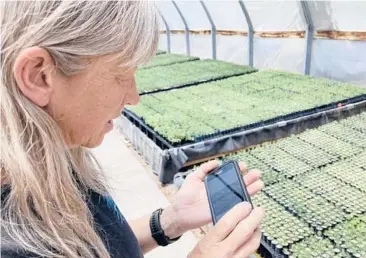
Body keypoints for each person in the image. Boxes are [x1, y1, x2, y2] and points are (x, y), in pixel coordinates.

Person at [0, 1, 265, 257]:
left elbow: (99, 245)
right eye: (121, 75)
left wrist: (171, 221)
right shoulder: (12, 244)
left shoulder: (54, 150)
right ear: (38, 75)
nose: (133, 96)